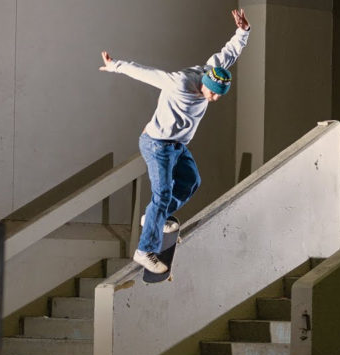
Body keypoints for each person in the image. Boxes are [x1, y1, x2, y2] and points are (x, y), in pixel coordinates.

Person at [100, 9, 250, 273]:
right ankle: (145, 250)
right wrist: (116, 66)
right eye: (212, 93)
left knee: (191, 181)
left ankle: (154, 218)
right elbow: (147, 73)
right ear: (204, 83)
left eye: (219, 95)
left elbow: (230, 52)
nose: (214, 99)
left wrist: (243, 31)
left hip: (178, 146)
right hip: (157, 144)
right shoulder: (179, 82)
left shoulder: (213, 70)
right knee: (162, 194)